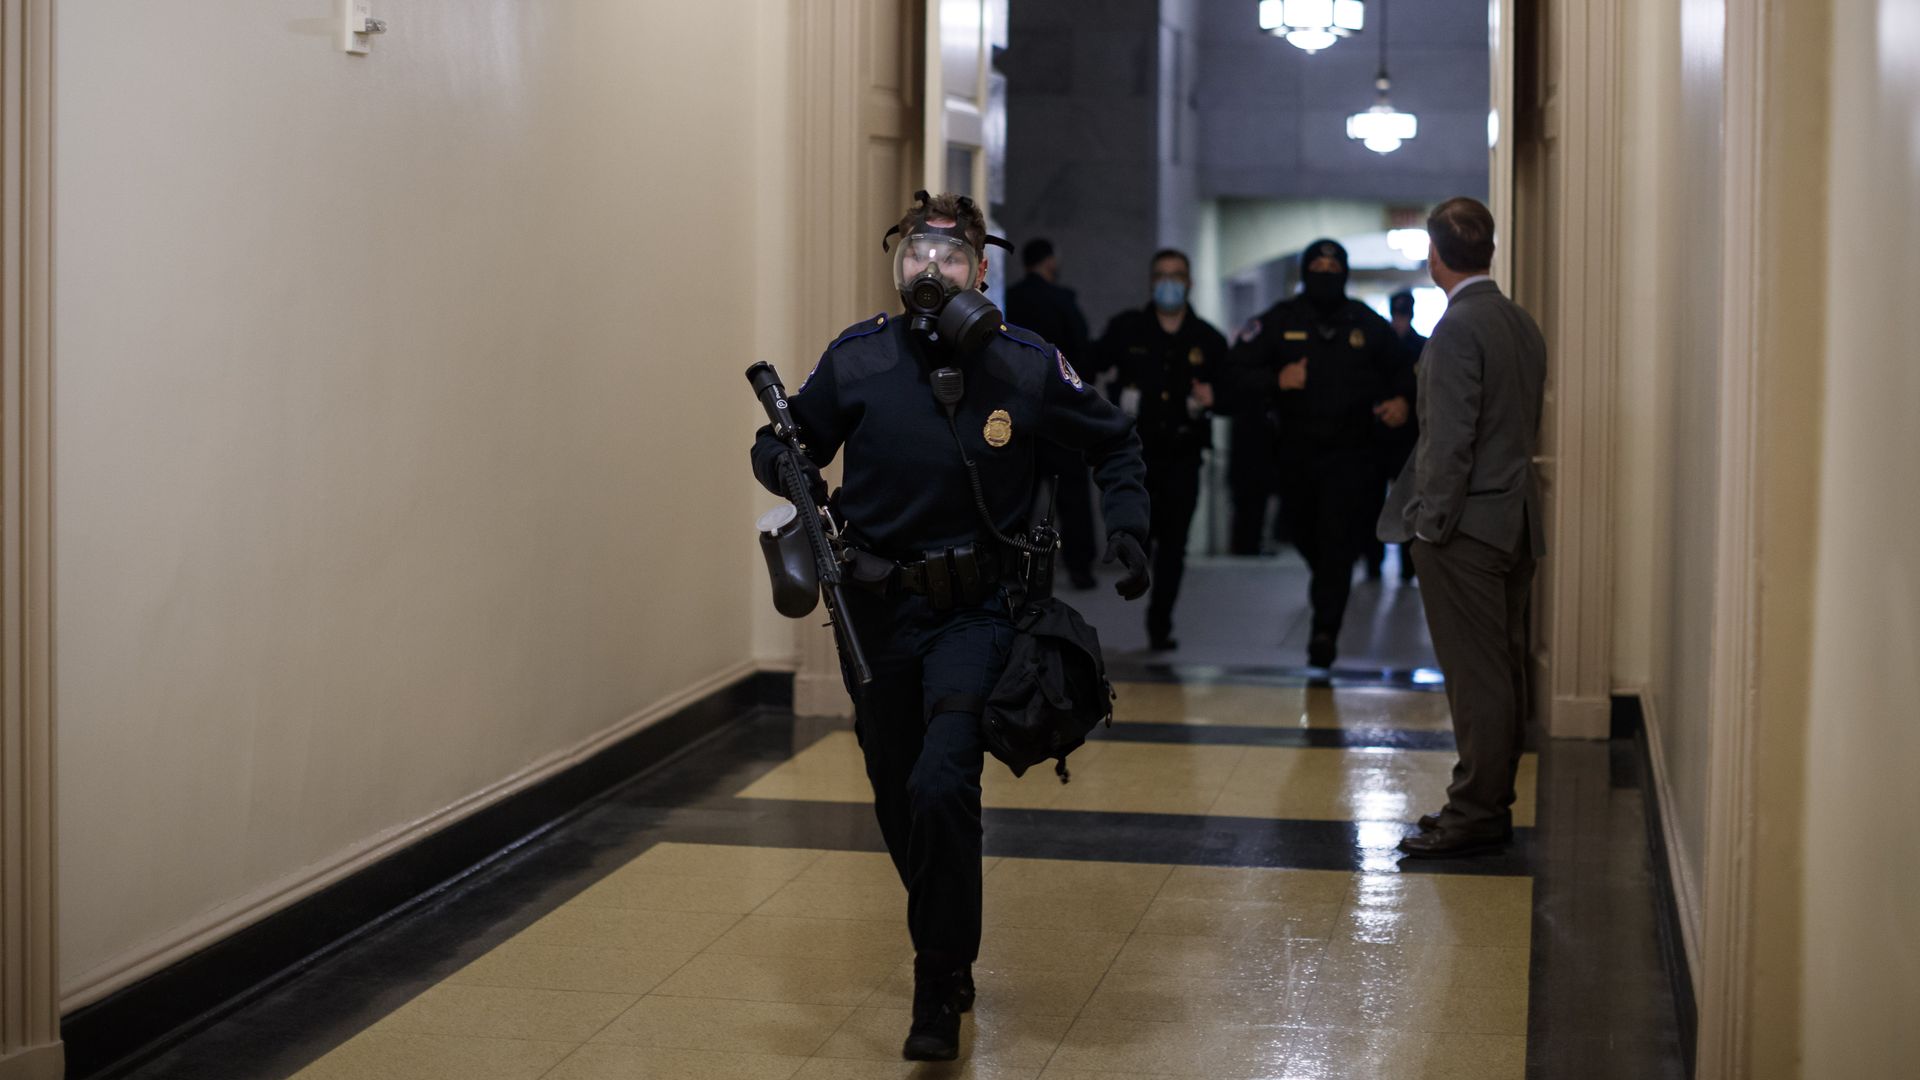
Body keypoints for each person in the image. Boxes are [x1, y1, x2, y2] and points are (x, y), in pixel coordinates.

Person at [749, 192, 1151, 1058]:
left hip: (976, 613)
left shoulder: (1025, 365)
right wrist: (785, 465)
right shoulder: (857, 360)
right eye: (917, 255)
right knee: (899, 796)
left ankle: (940, 980)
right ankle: (945, 936)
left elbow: (1115, 441)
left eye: (951, 257)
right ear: (899, 266)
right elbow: (786, 443)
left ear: (981, 269)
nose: (931, 271)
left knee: (942, 785)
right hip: (875, 611)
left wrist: (1130, 525)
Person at [1380, 197, 1547, 859]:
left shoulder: (1455, 329)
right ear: (1491, 251)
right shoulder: (1519, 322)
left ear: (1436, 256)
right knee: (1501, 671)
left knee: (1477, 679)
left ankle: (1476, 810)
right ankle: (1486, 802)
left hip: (1466, 532)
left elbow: (1449, 444)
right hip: (1513, 522)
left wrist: (1430, 527)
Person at [1224, 238, 1408, 668]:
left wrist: (1402, 400)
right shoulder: (1278, 321)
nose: (1326, 271)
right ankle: (1326, 589)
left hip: (1352, 458)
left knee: (1338, 543)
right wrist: (1276, 378)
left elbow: (1407, 371)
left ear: (1344, 272)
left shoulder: (1366, 324)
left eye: (1333, 265)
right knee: (1307, 535)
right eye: (1318, 265)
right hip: (1296, 456)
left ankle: (1325, 629)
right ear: (1306, 271)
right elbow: (1234, 373)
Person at [1094, 249, 1229, 650]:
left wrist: (1214, 397)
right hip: (1135, 455)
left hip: (1183, 455)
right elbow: (1087, 364)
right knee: (1141, 537)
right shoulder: (1127, 329)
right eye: (1161, 275)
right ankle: (1138, 582)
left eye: (1176, 275)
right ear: (1152, 282)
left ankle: (1160, 620)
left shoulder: (1208, 339)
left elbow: (1234, 391)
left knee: (1174, 545)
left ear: (1188, 283)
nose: (1169, 282)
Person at [1005, 238, 1098, 589]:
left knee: (1018, 497)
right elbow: (1081, 356)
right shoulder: (1063, 302)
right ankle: (1080, 569)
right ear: (1050, 262)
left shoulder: (1009, 300)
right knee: (1072, 497)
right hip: (1059, 418)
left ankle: (1012, 566)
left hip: (1016, 417)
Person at [1364, 289, 1422, 581]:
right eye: (1397, 314)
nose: (1400, 320)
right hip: (1377, 438)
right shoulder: (1377, 346)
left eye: (1404, 314)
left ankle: (1408, 568)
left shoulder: (1422, 347)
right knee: (1372, 502)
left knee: (1408, 504)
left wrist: (1405, 406)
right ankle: (1372, 564)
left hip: (1407, 440)